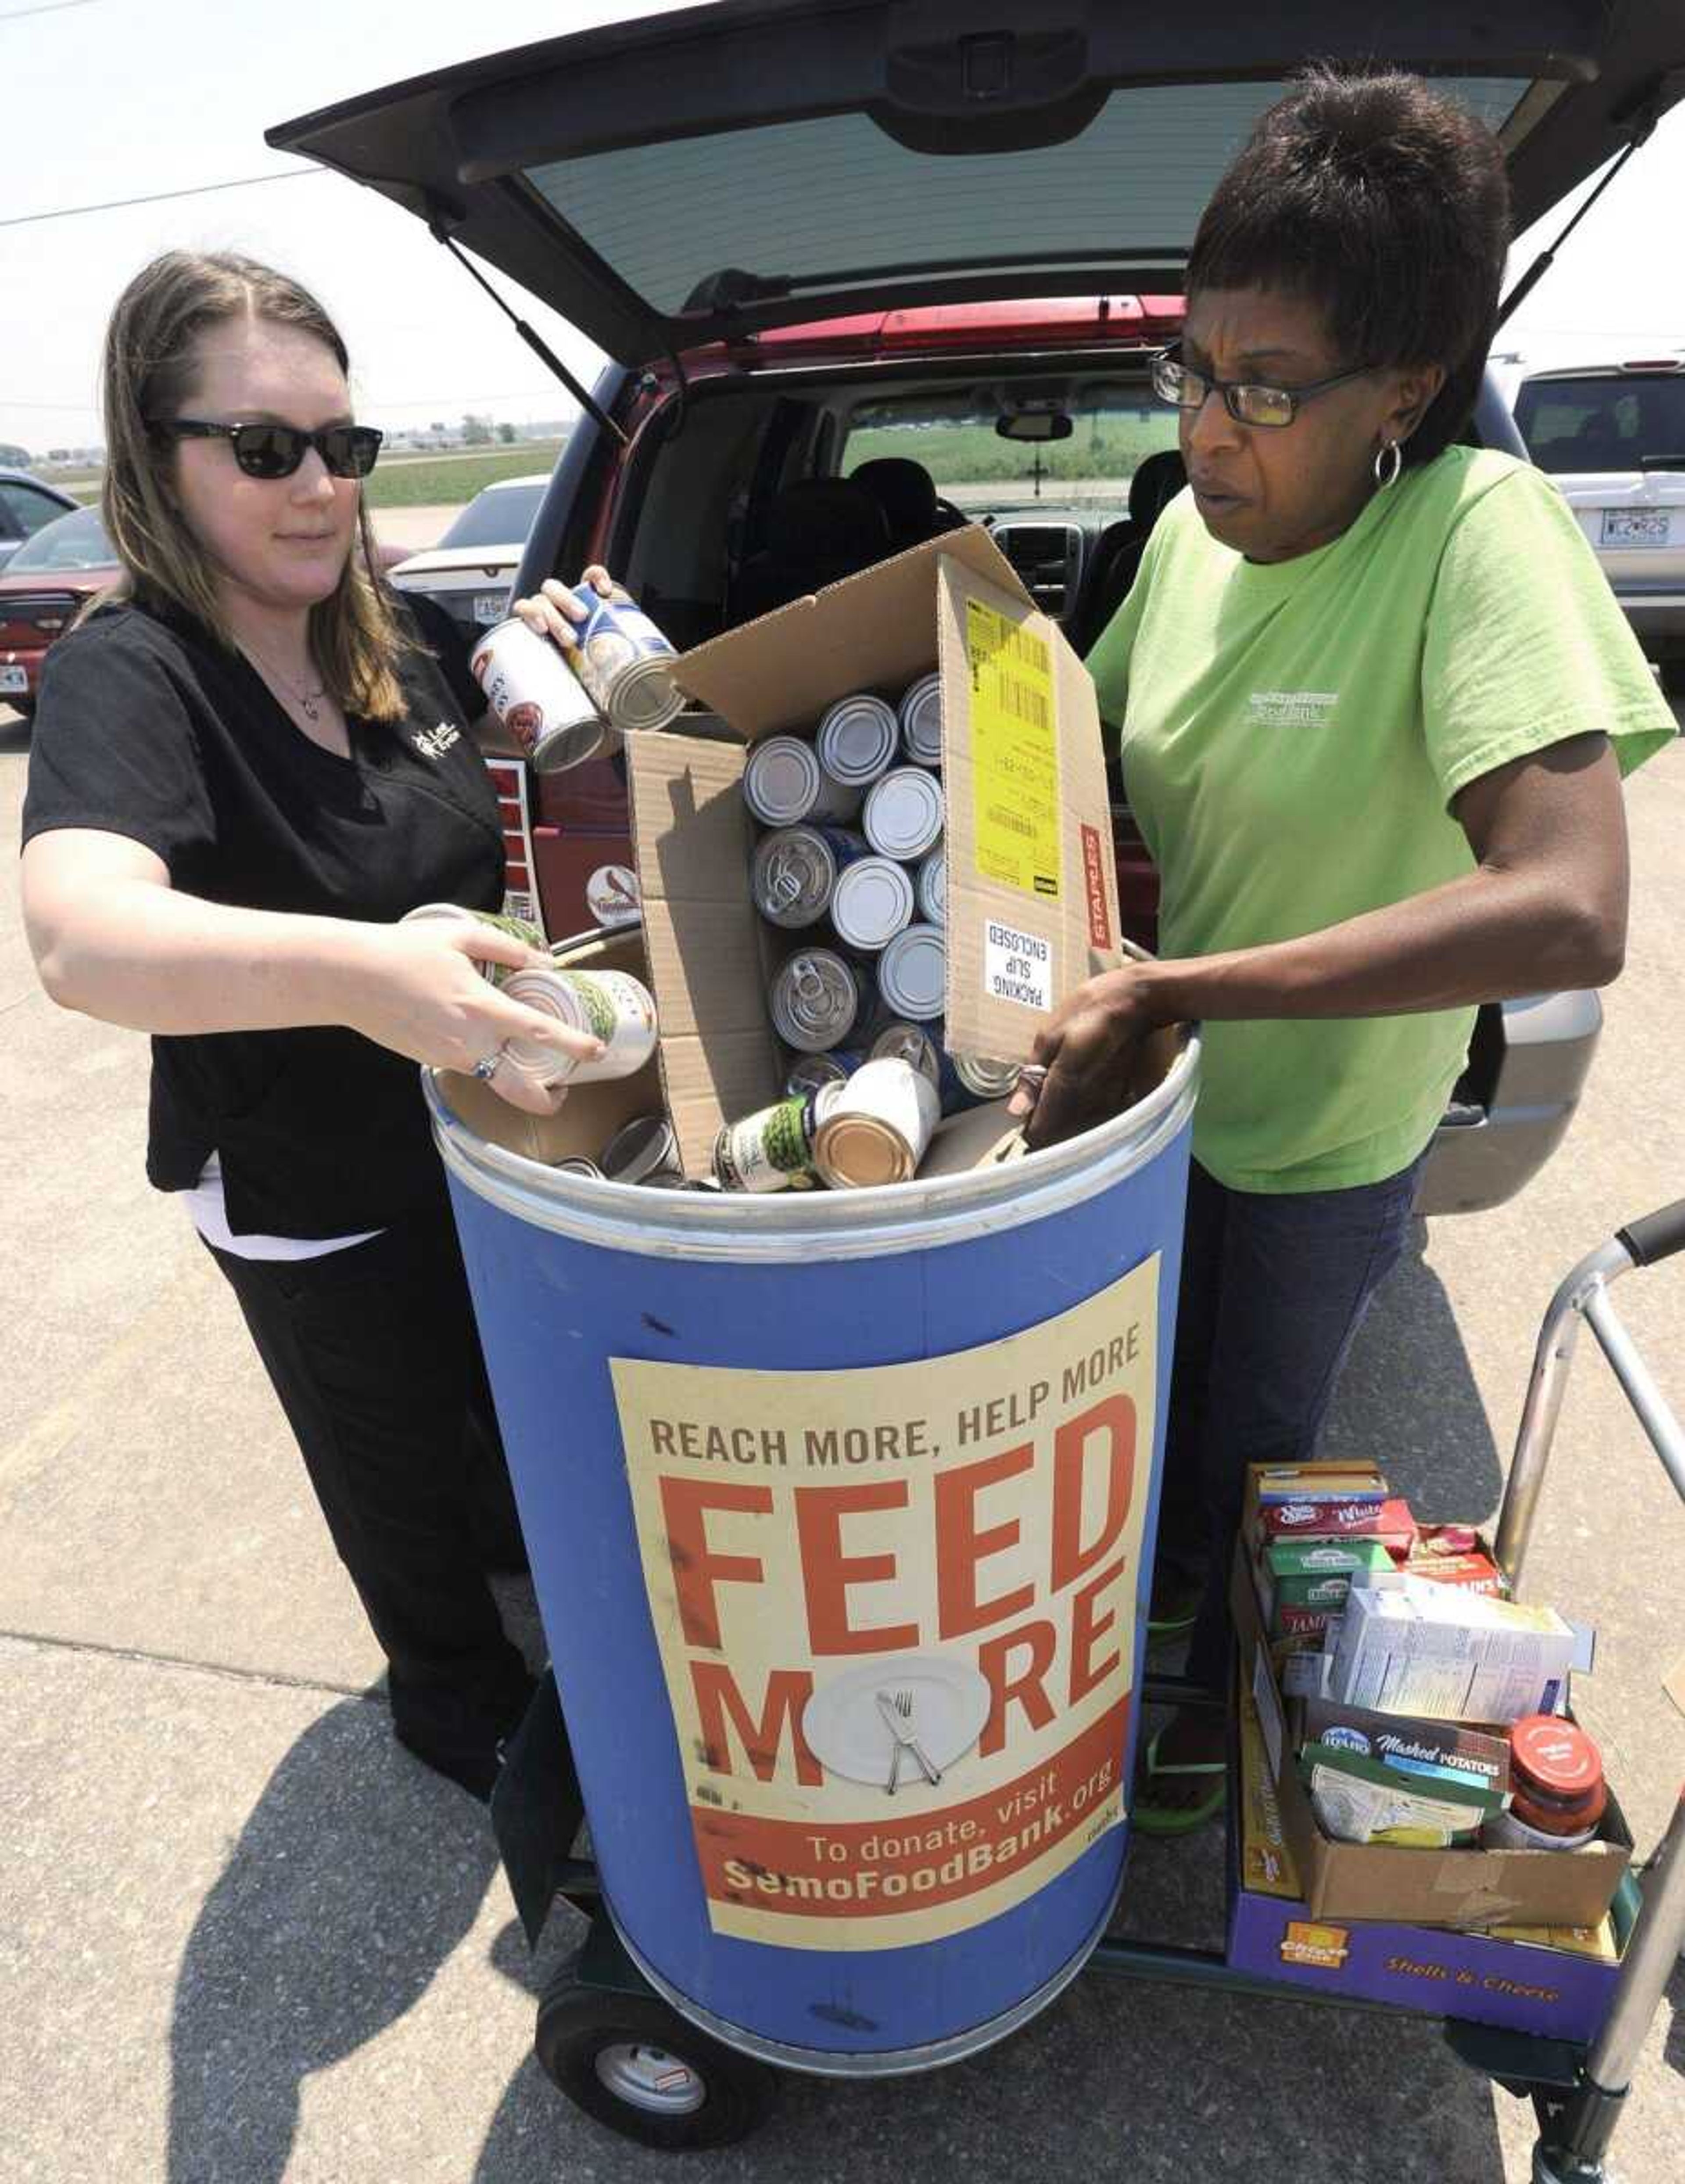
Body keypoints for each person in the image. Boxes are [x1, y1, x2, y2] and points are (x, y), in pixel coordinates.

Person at [1007, 72, 1676, 1832]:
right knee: (1115, 1442)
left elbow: (1570, 900)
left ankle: (1211, 1738)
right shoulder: (1183, 538)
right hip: (1145, 1110)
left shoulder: (1475, 538)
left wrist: (1184, 989)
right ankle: (1129, 1674)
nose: (1213, 432)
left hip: (1310, 1142)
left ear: (1405, 389)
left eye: (1269, 393)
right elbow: (1089, 750)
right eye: (1194, 373)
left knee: (1247, 1459)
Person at [20, 251, 613, 1801]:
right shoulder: (131, 673)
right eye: (265, 450)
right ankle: (460, 1705)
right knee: (394, 1476)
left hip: (463, 1140)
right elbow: (82, 937)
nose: (319, 489)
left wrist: (575, 638)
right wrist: (368, 977)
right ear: (160, 456)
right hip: (303, 1183)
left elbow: (557, 735)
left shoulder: (394, 633)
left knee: (488, 1423)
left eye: (342, 449)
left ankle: (510, 1580)